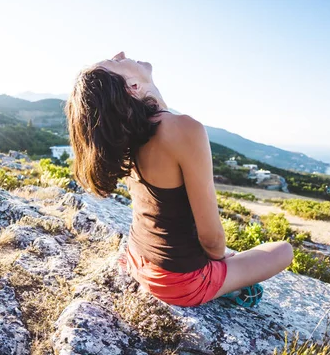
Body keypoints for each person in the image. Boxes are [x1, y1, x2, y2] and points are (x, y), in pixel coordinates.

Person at [65, 52, 293, 307]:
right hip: (178, 281)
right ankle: (222, 287)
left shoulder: (127, 136)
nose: (121, 54)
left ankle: (227, 281)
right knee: (284, 250)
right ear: (133, 87)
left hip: (137, 257)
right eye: (116, 62)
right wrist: (223, 259)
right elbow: (213, 241)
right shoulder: (183, 129)